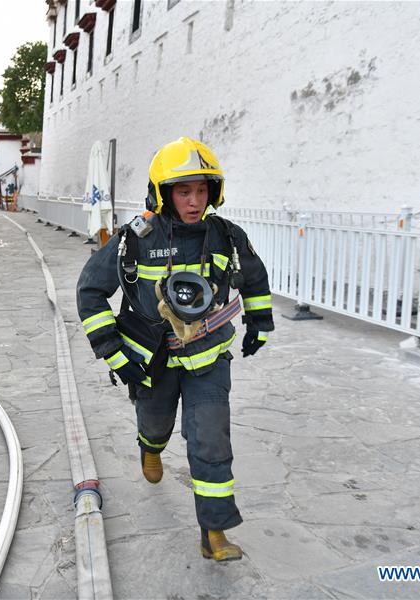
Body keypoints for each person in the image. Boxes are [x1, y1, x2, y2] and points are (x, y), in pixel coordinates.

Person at [76, 137, 274, 562]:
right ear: (164, 193)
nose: (195, 200)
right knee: (156, 421)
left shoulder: (226, 236)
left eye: (202, 190)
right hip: (151, 363)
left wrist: (260, 321)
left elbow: (255, 278)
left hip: (207, 360)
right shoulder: (136, 238)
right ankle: (150, 446)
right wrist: (114, 353)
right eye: (184, 191)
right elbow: (90, 293)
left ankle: (214, 532)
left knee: (212, 441)